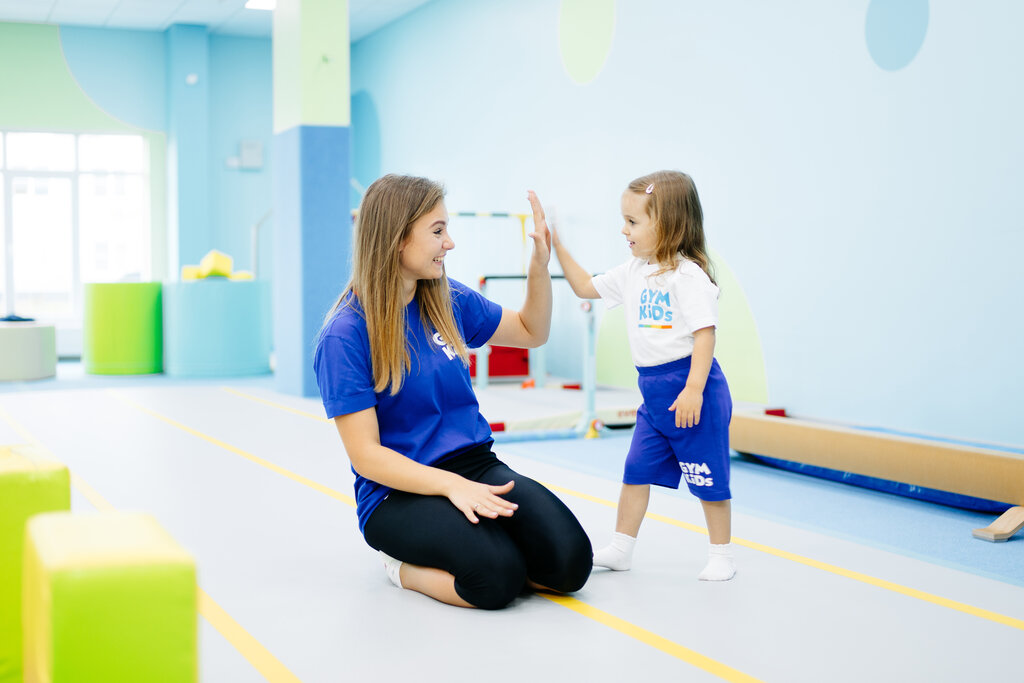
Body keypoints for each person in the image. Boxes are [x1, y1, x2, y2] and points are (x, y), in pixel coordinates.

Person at [314, 174, 593, 609]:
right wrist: (449, 487)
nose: (450, 243)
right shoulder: (346, 333)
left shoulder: (447, 298)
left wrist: (539, 266)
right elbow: (366, 455)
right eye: (438, 231)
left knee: (570, 564)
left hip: (475, 465)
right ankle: (398, 567)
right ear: (396, 238)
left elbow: (531, 330)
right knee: (496, 580)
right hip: (396, 492)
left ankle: (484, 542)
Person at [552, 170, 736, 581]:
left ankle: (722, 553)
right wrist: (556, 247)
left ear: (667, 224)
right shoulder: (634, 269)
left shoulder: (687, 275)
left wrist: (693, 390)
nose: (624, 230)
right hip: (654, 396)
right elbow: (584, 286)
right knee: (636, 470)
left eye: (632, 222)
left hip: (692, 389)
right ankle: (621, 547)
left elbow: (705, 335)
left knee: (707, 476)